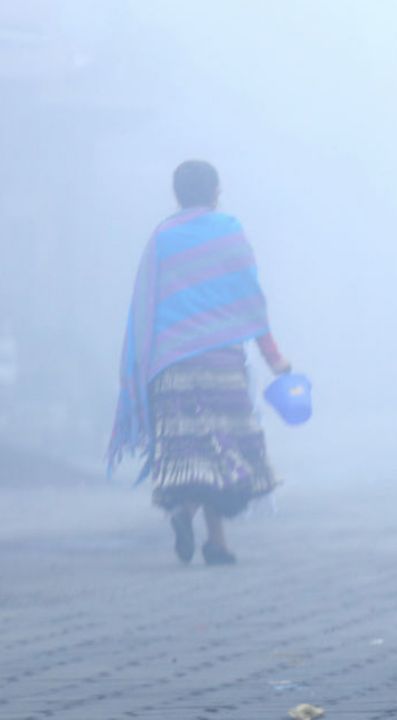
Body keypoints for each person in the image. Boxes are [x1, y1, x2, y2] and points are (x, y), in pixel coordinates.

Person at [109, 160, 292, 565]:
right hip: (220, 361)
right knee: (224, 448)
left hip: (171, 364)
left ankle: (217, 543)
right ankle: (190, 513)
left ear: (177, 194)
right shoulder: (228, 231)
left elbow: (145, 305)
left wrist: (142, 367)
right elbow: (249, 297)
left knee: (198, 452)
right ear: (214, 191)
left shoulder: (162, 238)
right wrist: (273, 356)